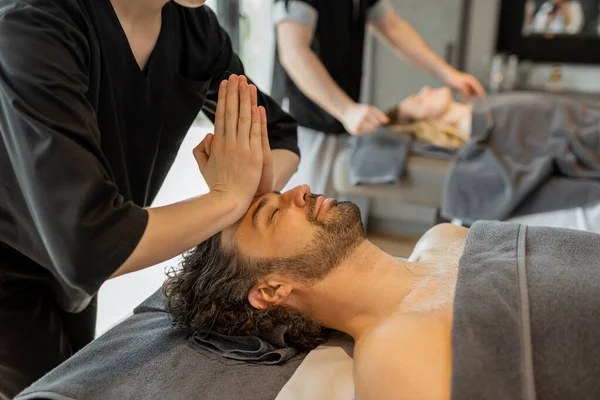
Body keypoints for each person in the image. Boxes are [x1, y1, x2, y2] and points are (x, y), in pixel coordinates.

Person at [0, 0, 299, 396]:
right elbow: (91, 244)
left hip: (78, 274)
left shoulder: (194, 30)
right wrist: (229, 198)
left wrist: (251, 188)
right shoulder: (33, 26)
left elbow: (279, 135)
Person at [163, 185, 600, 399]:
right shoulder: (394, 354)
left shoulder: (443, 237)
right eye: (272, 214)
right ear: (271, 289)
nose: (298, 190)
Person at [273, 0, 485, 197]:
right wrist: (346, 110)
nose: (426, 92)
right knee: (308, 217)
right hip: (310, 126)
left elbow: (392, 27)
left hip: (345, 123)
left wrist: (448, 74)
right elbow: (293, 51)